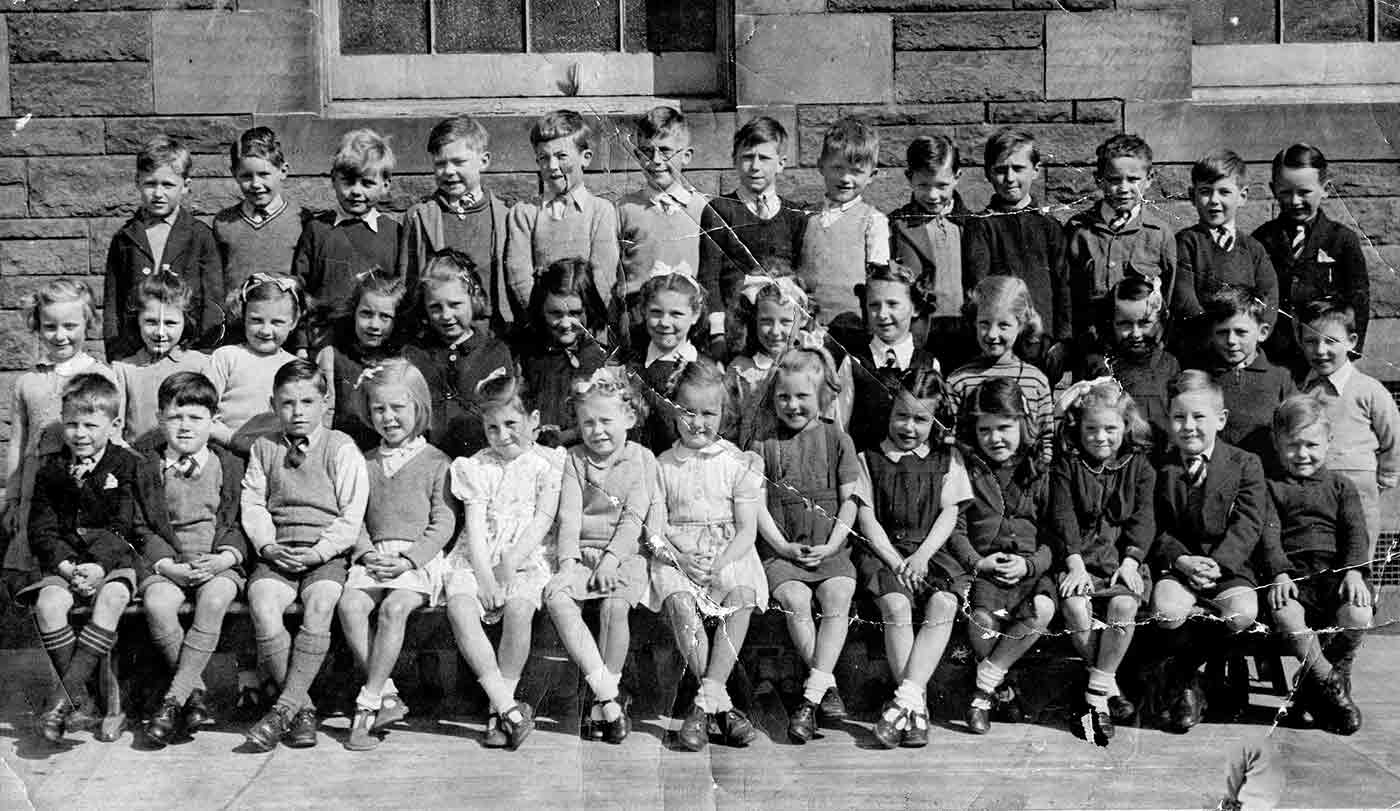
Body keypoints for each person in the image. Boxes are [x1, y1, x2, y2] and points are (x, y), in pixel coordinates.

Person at [241, 359, 369, 751]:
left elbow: (352, 514)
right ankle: (302, 710)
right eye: (287, 403)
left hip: (325, 553)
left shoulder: (340, 446)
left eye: (307, 402)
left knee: (321, 603)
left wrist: (319, 553)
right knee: (263, 603)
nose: (297, 412)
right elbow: (253, 504)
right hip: (278, 551)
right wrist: (267, 546)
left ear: (325, 403)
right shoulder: (264, 448)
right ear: (273, 404)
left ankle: (282, 711)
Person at [648, 360, 768, 752]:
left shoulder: (737, 462)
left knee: (742, 595)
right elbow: (655, 528)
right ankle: (721, 708)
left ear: (724, 413)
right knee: (680, 601)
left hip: (728, 550)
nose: (697, 422)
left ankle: (705, 701)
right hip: (677, 554)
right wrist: (680, 558)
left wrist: (718, 564)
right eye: (687, 411)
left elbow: (747, 529)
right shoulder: (662, 464)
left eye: (708, 413)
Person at [337, 358, 453, 751]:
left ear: (418, 407)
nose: (388, 417)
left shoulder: (438, 463)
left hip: (416, 560)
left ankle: (367, 702)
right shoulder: (364, 462)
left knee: (393, 609)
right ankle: (385, 692)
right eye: (379, 409)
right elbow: (355, 518)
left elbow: (443, 523)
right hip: (373, 556)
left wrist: (409, 560)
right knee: (351, 606)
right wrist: (366, 553)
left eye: (398, 408)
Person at [445, 370, 564, 751]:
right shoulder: (476, 467)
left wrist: (509, 565)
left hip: (526, 556)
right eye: (492, 427)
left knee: (518, 610)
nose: (502, 436)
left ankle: (500, 711)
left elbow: (543, 520)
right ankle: (505, 704)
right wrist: (485, 577)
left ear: (534, 420)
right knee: (460, 608)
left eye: (512, 424)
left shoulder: (548, 464)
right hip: (478, 558)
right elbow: (475, 529)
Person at [750, 345, 862, 743]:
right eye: (784, 396)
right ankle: (825, 685)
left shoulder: (837, 438)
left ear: (822, 397)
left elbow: (850, 502)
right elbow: (756, 504)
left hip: (828, 547)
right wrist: (780, 547)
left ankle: (811, 696)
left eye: (802, 397)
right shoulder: (763, 443)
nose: (793, 405)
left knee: (839, 591)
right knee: (796, 599)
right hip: (783, 549)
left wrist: (833, 547)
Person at [21, 374, 141, 744]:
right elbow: (41, 529)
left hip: (113, 560)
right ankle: (83, 700)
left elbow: (127, 524)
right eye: (71, 424)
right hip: (67, 563)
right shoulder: (52, 470)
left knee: (113, 597)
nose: (80, 433)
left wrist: (98, 566)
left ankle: (64, 699)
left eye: (91, 425)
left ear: (114, 425)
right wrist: (66, 567)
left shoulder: (126, 465)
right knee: (48, 603)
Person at [545, 367, 661, 745]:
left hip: (625, 554)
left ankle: (602, 701)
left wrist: (611, 559)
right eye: (587, 422)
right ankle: (608, 695)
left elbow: (634, 517)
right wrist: (567, 564)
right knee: (558, 597)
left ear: (629, 417)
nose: (597, 430)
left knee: (614, 608)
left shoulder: (641, 458)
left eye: (606, 420)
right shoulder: (575, 460)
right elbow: (568, 515)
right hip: (582, 553)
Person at [1149, 371, 1267, 734]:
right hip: (1180, 564)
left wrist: (1220, 564)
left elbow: (1249, 523)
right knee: (1167, 611)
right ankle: (1188, 682)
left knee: (1241, 613)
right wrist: (1181, 560)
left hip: (1228, 567)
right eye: (1179, 417)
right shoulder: (1159, 467)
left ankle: (1183, 674)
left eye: (1199, 417)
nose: (1188, 427)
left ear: (1221, 419)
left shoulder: (1245, 464)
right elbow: (1153, 526)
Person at [856, 372, 970, 749]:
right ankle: (915, 708)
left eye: (921, 419)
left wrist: (921, 556)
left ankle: (903, 702)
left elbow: (948, 515)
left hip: (929, 553)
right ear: (889, 412)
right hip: (884, 553)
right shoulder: (869, 457)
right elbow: (867, 518)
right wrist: (894, 560)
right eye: (902, 416)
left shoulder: (945, 459)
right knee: (896, 604)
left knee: (945, 601)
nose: (909, 426)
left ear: (935, 421)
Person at [134, 372, 248, 746]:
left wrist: (225, 559)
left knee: (215, 599)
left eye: (196, 418)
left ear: (213, 421)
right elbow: (139, 526)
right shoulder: (146, 467)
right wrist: (166, 564)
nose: (185, 426)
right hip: (168, 564)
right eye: (175, 416)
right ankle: (194, 693)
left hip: (216, 563)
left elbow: (237, 520)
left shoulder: (229, 465)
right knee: (157, 602)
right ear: (160, 418)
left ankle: (173, 700)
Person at [1051, 378, 1156, 746]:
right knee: (1075, 608)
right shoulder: (1068, 463)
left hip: (1121, 558)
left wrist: (1131, 561)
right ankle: (1109, 685)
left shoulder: (1139, 465)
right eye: (1091, 428)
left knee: (1124, 604)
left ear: (1126, 427)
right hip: (1079, 556)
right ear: (1078, 426)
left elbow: (1144, 519)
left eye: (1110, 428)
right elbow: (1062, 515)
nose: (1100, 437)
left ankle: (1095, 700)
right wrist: (1075, 564)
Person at [950, 378, 1057, 735]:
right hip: (985, 569)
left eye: (1005, 428)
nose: (995, 438)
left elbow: (1054, 536)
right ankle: (1004, 683)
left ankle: (983, 691)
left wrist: (1031, 564)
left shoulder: (1039, 471)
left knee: (1042, 610)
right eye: (986, 430)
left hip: (1030, 569)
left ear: (1023, 425)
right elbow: (957, 527)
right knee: (983, 621)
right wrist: (976, 562)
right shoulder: (968, 468)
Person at [1262, 394, 1368, 735]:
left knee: (1358, 613)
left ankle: (1313, 681)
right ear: (1277, 445)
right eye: (1293, 445)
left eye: (1311, 444)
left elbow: (1355, 532)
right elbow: (1268, 535)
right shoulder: (1270, 487)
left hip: (1334, 576)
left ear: (1328, 442)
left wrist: (1354, 570)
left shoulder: (1341, 486)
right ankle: (1330, 683)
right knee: (1285, 614)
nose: (1302, 454)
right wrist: (1278, 571)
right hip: (1293, 578)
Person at [2, 280, 117, 586]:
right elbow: (18, 441)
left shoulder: (103, 375)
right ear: (37, 325)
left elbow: (113, 437)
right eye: (50, 326)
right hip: (35, 486)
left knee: (79, 558)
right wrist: (12, 498)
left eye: (70, 325)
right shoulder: (27, 381)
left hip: (83, 486)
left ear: (88, 323)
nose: (60, 335)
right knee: (34, 566)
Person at [962, 127, 1070, 378]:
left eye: (1018, 168)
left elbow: (1063, 287)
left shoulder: (1049, 226)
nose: (1009, 178)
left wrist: (1063, 341)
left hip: (1042, 346)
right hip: (998, 345)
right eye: (1001, 170)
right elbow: (978, 287)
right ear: (988, 173)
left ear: (1036, 170)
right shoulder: (981, 225)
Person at [1255, 143, 1369, 379]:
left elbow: (1358, 302)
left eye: (1304, 192)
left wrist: (1347, 357)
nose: (1295, 201)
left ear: (1325, 189)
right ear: (1273, 190)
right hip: (1275, 359)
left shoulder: (1342, 240)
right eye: (1286, 192)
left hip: (1325, 357)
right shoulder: (1261, 239)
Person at [103, 135, 222, 359]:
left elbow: (214, 302)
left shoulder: (200, 235)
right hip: (135, 352)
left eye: (168, 185)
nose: (158, 194)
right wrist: (116, 353)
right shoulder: (125, 238)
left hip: (188, 350)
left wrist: (207, 352)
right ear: (137, 181)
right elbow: (113, 304)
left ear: (186, 186)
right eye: (150, 183)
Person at [698, 116, 808, 356]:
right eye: (747, 157)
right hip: (734, 334)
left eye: (765, 158)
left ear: (781, 163)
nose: (755, 166)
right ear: (735, 161)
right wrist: (717, 334)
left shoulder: (795, 215)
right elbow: (709, 279)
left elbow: (801, 276)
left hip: (780, 333)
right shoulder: (720, 210)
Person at [1298, 299, 1398, 558]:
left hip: (1359, 489)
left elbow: (1393, 438)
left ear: (1352, 341)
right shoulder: (1303, 391)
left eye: (1331, 341)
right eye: (1311, 341)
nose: (1320, 350)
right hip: (1314, 492)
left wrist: (1383, 479)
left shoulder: (1369, 389)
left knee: (1358, 561)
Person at [504, 110, 620, 325]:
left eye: (561, 156)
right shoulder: (524, 213)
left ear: (585, 158)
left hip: (587, 325)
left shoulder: (600, 211)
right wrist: (542, 321)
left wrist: (586, 321)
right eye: (543, 158)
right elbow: (518, 275)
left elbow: (604, 274)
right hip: (542, 326)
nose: (552, 166)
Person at [397, 115, 511, 333]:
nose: (449, 171)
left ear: (484, 161)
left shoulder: (504, 217)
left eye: (459, 162)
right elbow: (408, 285)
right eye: (440, 164)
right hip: (437, 333)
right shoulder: (420, 217)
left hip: (490, 335)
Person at [1065, 133, 1176, 354]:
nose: (1123, 188)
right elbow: (1068, 294)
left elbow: (1169, 300)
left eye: (1133, 179)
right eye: (1114, 180)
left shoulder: (1159, 234)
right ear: (1099, 179)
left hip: (1142, 349)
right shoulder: (1079, 230)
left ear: (1149, 178)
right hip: (1092, 350)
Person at [292, 128, 401, 347]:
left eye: (367, 183)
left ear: (385, 185)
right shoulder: (317, 230)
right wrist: (301, 344)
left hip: (376, 341)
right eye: (348, 182)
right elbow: (301, 289)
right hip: (324, 342)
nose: (356, 191)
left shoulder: (393, 233)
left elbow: (400, 294)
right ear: (333, 179)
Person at [404, 251, 513, 459]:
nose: (446, 316)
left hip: (480, 460)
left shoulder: (494, 353)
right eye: (435, 307)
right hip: (425, 459)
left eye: (455, 305)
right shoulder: (414, 354)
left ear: (474, 300)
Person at [1171, 149, 1278, 357]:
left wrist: (1249, 338)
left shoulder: (1253, 249)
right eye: (1205, 191)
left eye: (1224, 192)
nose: (1213, 200)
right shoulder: (1187, 242)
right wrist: (1215, 339)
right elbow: (1184, 300)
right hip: (1200, 350)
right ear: (1192, 196)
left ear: (1242, 196)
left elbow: (1269, 298)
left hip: (1243, 351)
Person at [617, 106, 708, 339]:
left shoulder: (703, 208)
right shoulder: (625, 209)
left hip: (689, 323)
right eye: (647, 152)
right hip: (639, 322)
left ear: (686, 156)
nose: (656, 161)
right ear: (638, 156)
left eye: (665, 151)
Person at [947, 275, 1055, 464]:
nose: (992, 334)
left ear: (1021, 325)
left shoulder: (1036, 380)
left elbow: (1046, 438)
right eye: (984, 324)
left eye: (1004, 325)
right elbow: (950, 439)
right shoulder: (959, 381)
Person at [888, 134, 974, 370]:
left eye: (942, 185)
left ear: (957, 178)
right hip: (920, 334)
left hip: (966, 332)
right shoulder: (897, 225)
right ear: (909, 178)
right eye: (923, 185)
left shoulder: (974, 224)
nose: (933, 195)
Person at [843, 261, 943, 453]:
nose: (882, 314)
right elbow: (840, 428)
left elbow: (934, 427)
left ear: (915, 308)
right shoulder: (854, 363)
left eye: (892, 304)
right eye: (874, 305)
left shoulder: (929, 363)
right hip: (865, 470)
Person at [1074, 277, 1179, 456]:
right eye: (1125, 324)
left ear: (1160, 322)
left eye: (1145, 323)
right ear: (1110, 324)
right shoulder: (1099, 365)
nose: (1136, 333)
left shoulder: (1169, 364)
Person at [798, 117, 889, 322]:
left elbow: (879, 281)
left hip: (852, 325)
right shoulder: (804, 216)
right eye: (838, 168)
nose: (846, 179)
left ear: (872, 175)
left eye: (856, 171)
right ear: (821, 166)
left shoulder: (873, 221)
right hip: (806, 325)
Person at [516, 258, 610, 448]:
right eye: (556, 313)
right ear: (542, 310)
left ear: (589, 309)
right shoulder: (527, 357)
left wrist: (567, 436)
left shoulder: (601, 360)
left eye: (575, 313)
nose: (566, 324)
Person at [1199, 287, 1296, 469]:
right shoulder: (1204, 377)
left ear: (1262, 332)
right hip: (1216, 475)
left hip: (1267, 477)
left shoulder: (1280, 378)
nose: (1231, 341)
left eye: (1241, 332)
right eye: (1222, 332)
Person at [112, 272, 210, 449]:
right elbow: (115, 431)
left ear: (186, 323)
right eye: (151, 322)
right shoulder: (124, 369)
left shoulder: (201, 365)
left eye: (171, 323)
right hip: (138, 461)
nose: (160, 332)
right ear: (137, 322)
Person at [207, 274, 302, 453]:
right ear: (244, 316)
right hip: (225, 449)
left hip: (275, 454)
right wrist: (231, 439)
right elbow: (202, 409)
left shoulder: (294, 367)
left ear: (293, 322)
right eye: (256, 320)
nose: (266, 330)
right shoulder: (227, 357)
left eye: (277, 322)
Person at [314, 271, 409, 450]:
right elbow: (323, 418)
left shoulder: (402, 360)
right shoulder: (333, 357)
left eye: (385, 317)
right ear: (354, 312)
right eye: (366, 314)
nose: (374, 325)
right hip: (342, 454)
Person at [213, 126, 303, 296]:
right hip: (237, 318)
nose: (255, 184)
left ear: (283, 171)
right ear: (234, 174)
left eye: (264, 174)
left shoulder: (301, 220)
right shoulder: (224, 222)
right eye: (246, 176)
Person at [628, 265, 706, 453]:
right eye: (656, 312)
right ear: (644, 311)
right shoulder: (632, 364)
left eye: (676, 314)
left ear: (695, 315)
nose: (664, 322)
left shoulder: (701, 369)